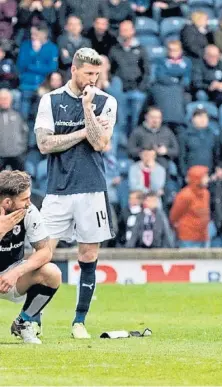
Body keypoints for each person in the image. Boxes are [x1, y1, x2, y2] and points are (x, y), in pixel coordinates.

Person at [34, 47, 117, 338]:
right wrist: (82, 132)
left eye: (97, 73)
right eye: (88, 73)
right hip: (57, 189)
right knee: (41, 255)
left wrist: (86, 111)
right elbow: (45, 145)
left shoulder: (107, 101)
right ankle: (33, 319)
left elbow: (100, 144)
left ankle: (79, 321)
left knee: (88, 253)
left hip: (92, 187)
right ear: (74, 69)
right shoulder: (51, 100)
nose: (93, 79)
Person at [0, 170, 61, 344]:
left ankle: (23, 322)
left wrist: (16, 272)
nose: (30, 203)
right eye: (25, 199)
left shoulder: (29, 211)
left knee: (52, 273)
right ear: (7, 202)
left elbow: (45, 251)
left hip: (11, 275)